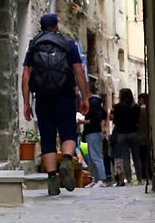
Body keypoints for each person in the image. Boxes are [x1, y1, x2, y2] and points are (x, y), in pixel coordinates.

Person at [22, 13, 91, 195]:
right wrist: (85, 97)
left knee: (47, 138)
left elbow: (26, 75)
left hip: (42, 98)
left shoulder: (34, 45)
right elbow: (79, 71)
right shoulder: (68, 44)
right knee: (69, 133)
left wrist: (26, 103)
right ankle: (67, 159)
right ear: (57, 26)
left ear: (42, 26)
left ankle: (52, 178)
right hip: (65, 96)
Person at [111, 88, 144, 185]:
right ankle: (139, 179)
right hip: (134, 133)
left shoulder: (117, 107)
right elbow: (138, 120)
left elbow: (115, 121)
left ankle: (129, 179)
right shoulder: (136, 107)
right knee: (137, 157)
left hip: (121, 134)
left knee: (125, 158)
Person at [82, 94, 108, 187]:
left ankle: (101, 179)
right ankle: (96, 179)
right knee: (93, 157)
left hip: (94, 132)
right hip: (92, 133)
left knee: (96, 156)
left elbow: (96, 119)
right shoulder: (96, 103)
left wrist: (83, 121)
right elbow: (104, 114)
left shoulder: (93, 103)